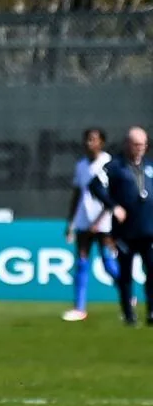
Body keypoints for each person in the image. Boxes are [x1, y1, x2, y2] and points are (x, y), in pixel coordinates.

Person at [92, 127, 153, 327]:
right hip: (125, 231)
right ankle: (128, 314)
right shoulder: (115, 167)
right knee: (125, 274)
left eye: (143, 144)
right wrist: (113, 206)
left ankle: (151, 312)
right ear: (127, 144)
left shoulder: (149, 166)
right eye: (136, 144)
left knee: (151, 272)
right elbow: (95, 185)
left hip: (149, 229)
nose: (140, 149)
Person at [66, 128, 118, 323]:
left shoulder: (108, 164)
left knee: (108, 263)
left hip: (103, 221)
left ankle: (127, 293)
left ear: (101, 143)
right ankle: (79, 308)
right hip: (83, 220)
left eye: (93, 140)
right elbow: (77, 194)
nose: (89, 143)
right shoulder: (80, 165)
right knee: (81, 262)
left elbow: (112, 196)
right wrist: (70, 222)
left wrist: (100, 220)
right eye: (87, 139)